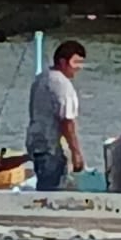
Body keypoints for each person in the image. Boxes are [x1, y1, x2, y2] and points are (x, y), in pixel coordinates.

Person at [26, 40, 87, 190]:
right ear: (63, 62)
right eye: (75, 63)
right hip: (52, 148)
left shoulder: (42, 78)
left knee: (44, 187)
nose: (78, 68)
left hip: (37, 144)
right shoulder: (62, 84)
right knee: (53, 191)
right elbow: (67, 122)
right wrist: (76, 152)